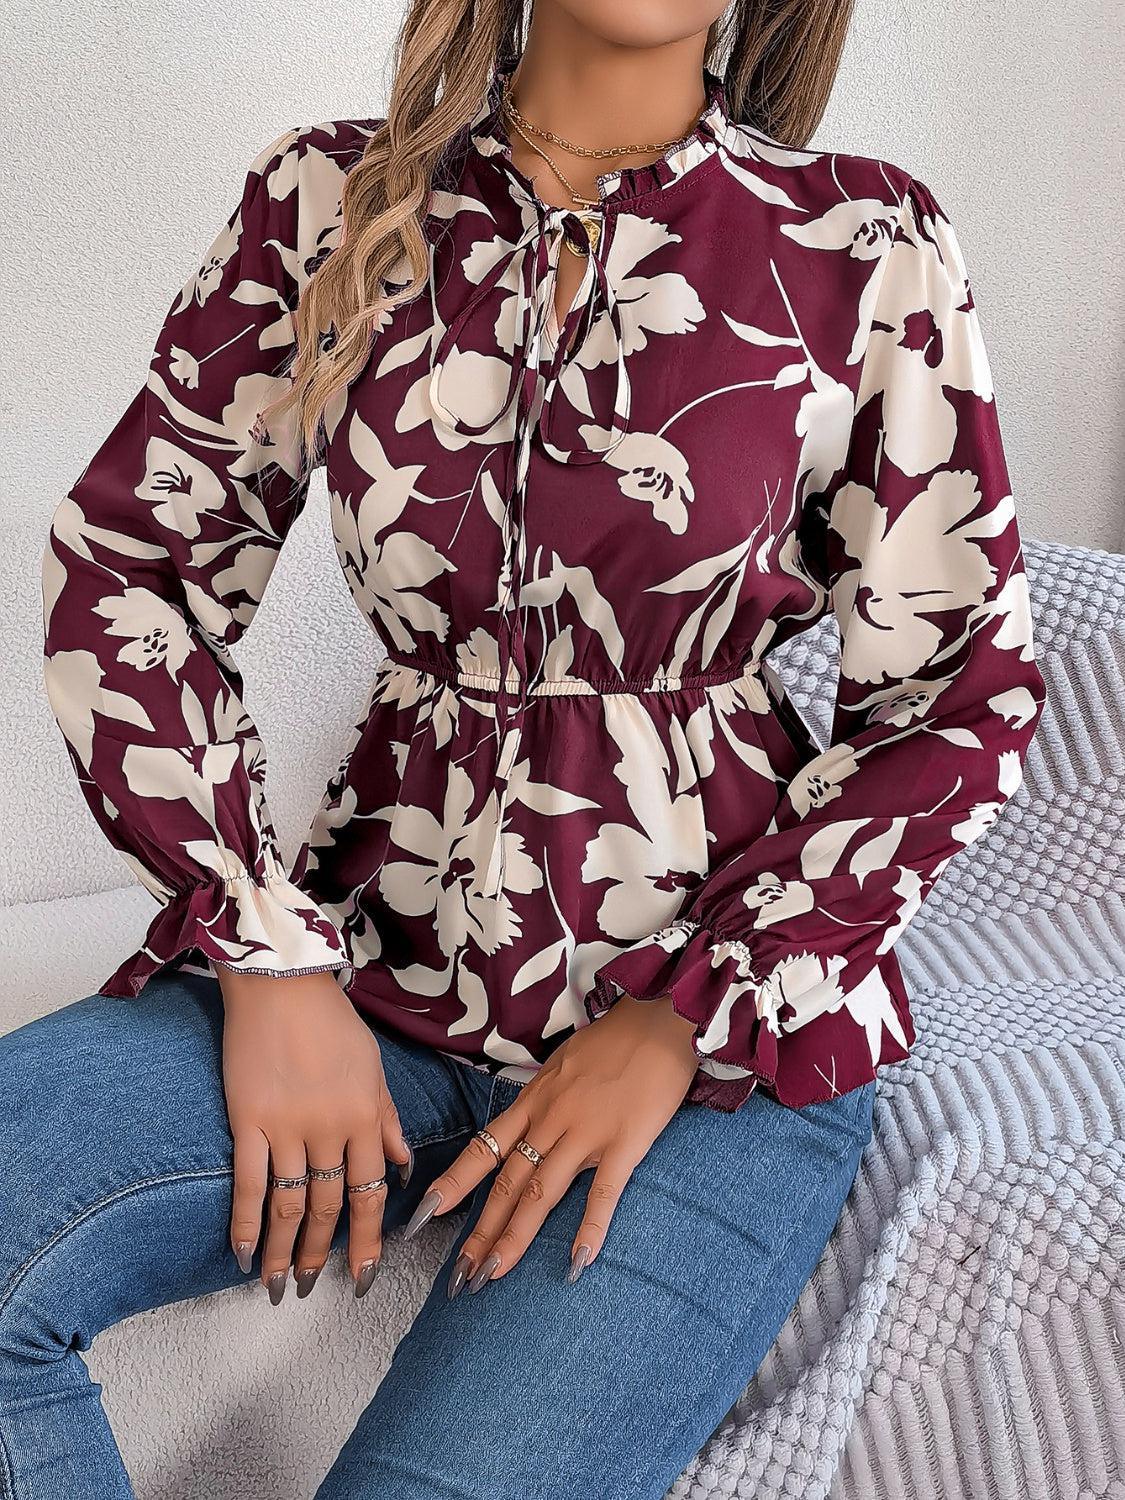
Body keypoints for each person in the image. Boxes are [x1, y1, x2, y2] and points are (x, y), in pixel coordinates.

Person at [5, 1, 1047, 1495]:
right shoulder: (330, 201)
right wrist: (262, 948)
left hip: (713, 1058)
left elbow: (953, 691)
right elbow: (132, 572)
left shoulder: (859, 242)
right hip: (370, 969)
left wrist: (682, 1017)